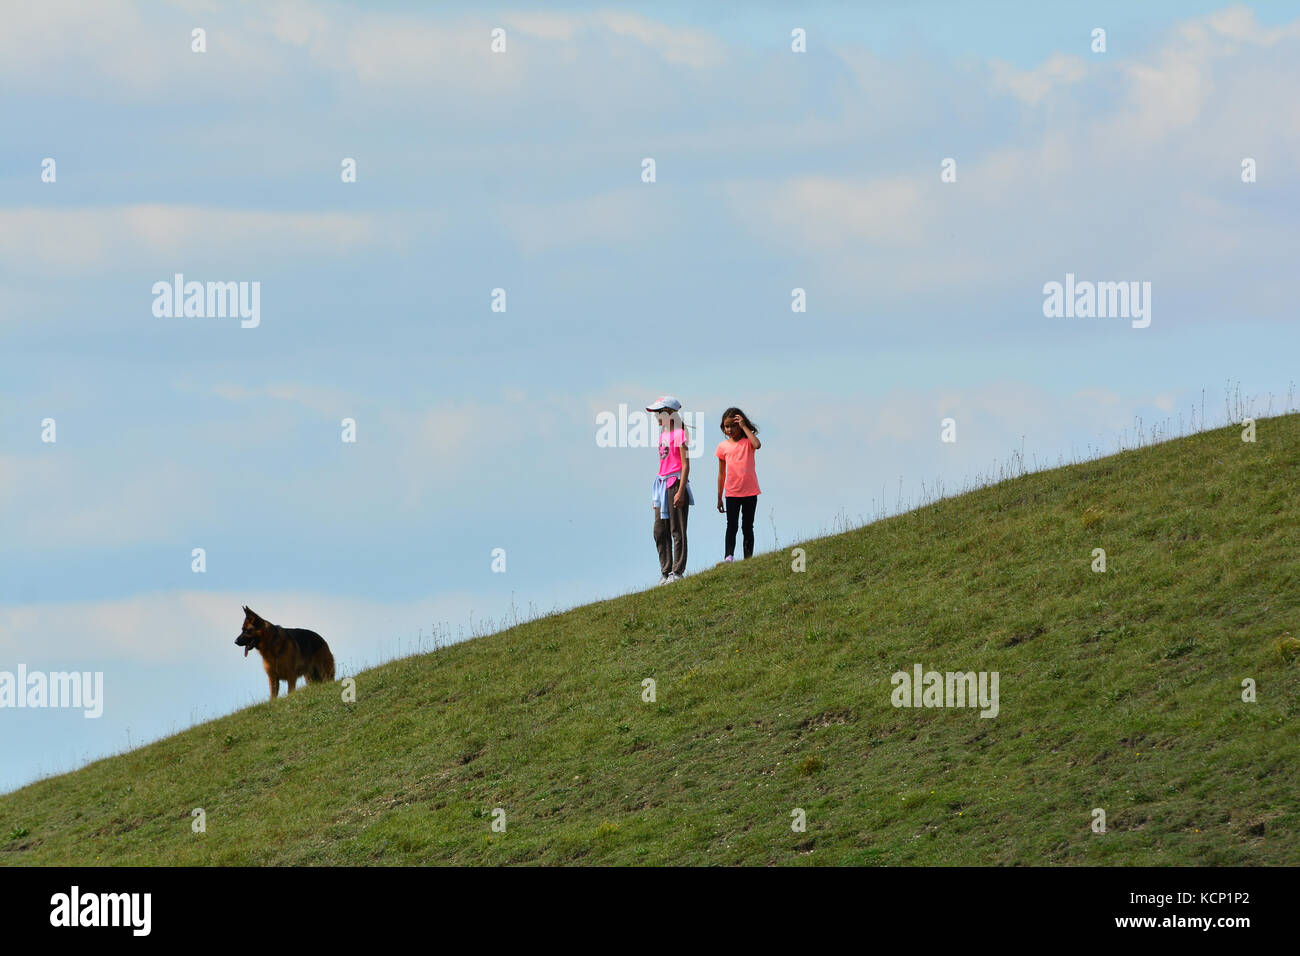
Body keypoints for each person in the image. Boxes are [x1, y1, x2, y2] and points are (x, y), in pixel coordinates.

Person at [648, 395, 693, 583]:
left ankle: (677, 571)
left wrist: (681, 490)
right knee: (659, 530)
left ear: (668, 413)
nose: (656, 417)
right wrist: (656, 497)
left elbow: (685, 464)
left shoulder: (679, 434)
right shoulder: (662, 435)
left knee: (677, 529)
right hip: (661, 485)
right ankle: (665, 571)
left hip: (675, 483)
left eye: (659, 413)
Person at [715, 407, 761, 562]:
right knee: (732, 526)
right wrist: (719, 497)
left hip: (750, 491)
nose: (730, 429)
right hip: (732, 493)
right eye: (727, 426)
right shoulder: (723, 447)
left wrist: (744, 426)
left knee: (747, 527)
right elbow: (721, 474)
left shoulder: (748, 442)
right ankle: (729, 556)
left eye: (733, 426)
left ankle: (748, 558)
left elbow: (757, 444)